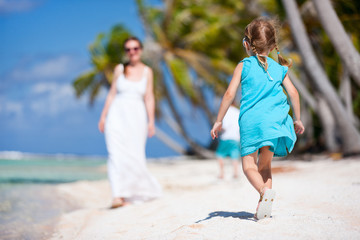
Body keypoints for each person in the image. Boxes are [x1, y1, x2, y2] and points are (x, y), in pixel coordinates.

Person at [210, 17, 305, 220]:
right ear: (272, 46)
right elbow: (294, 93)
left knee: (248, 166)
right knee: (265, 167)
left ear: (247, 44)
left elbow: (229, 94)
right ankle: (264, 207)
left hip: (252, 123)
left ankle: (263, 193)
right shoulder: (280, 69)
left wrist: (219, 120)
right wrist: (297, 119)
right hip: (274, 123)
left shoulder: (243, 66)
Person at [98, 36, 162, 208]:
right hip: (116, 116)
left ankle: (131, 192)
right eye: (128, 49)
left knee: (134, 155)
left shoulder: (148, 71)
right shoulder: (120, 69)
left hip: (137, 117)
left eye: (135, 49)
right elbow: (112, 93)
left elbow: (149, 97)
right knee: (115, 154)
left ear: (140, 50)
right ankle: (117, 195)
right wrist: (103, 116)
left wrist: (151, 122)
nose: (132, 52)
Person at [215, 101, 241, 179]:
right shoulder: (238, 112)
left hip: (226, 136)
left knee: (219, 154)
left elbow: (224, 126)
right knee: (235, 155)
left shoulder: (226, 112)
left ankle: (222, 173)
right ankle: (235, 173)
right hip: (236, 137)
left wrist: (217, 129)